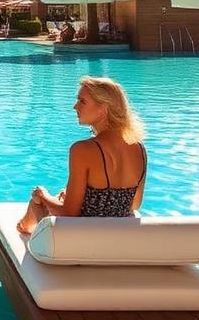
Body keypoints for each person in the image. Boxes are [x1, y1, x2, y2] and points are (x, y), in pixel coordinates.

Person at [16, 77, 147, 233]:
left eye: (82, 101)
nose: (75, 106)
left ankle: (23, 227)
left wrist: (43, 195)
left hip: (82, 241)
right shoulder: (139, 149)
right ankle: (25, 224)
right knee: (54, 199)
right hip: (119, 239)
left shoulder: (82, 150)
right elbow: (134, 204)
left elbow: (69, 213)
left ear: (104, 109)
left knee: (36, 201)